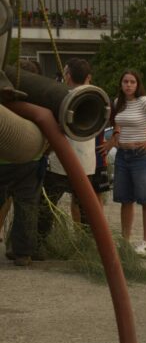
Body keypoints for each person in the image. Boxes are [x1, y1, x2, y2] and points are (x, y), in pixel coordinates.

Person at [102, 70, 146, 255]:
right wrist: (114, 137)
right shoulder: (118, 103)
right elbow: (117, 122)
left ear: (137, 84)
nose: (128, 85)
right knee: (125, 200)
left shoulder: (144, 102)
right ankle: (125, 242)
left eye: (132, 82)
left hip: (141, 155)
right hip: (122, 155)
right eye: (125, 81)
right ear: (121, 84)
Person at [37, 58, 98, 246]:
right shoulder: (96, 97)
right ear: (88, 77)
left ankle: (39, 244)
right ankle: (88, 246)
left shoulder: (59, 96)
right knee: (87, 210)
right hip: (86, 164)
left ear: (68, 76)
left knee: (46, 207)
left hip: (60, 162)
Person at [1, 59, 46, 266]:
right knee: (27, 208)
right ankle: (23, 253)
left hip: (3, 160)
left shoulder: (4, 96)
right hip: (30, 160)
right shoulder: (42, 100)